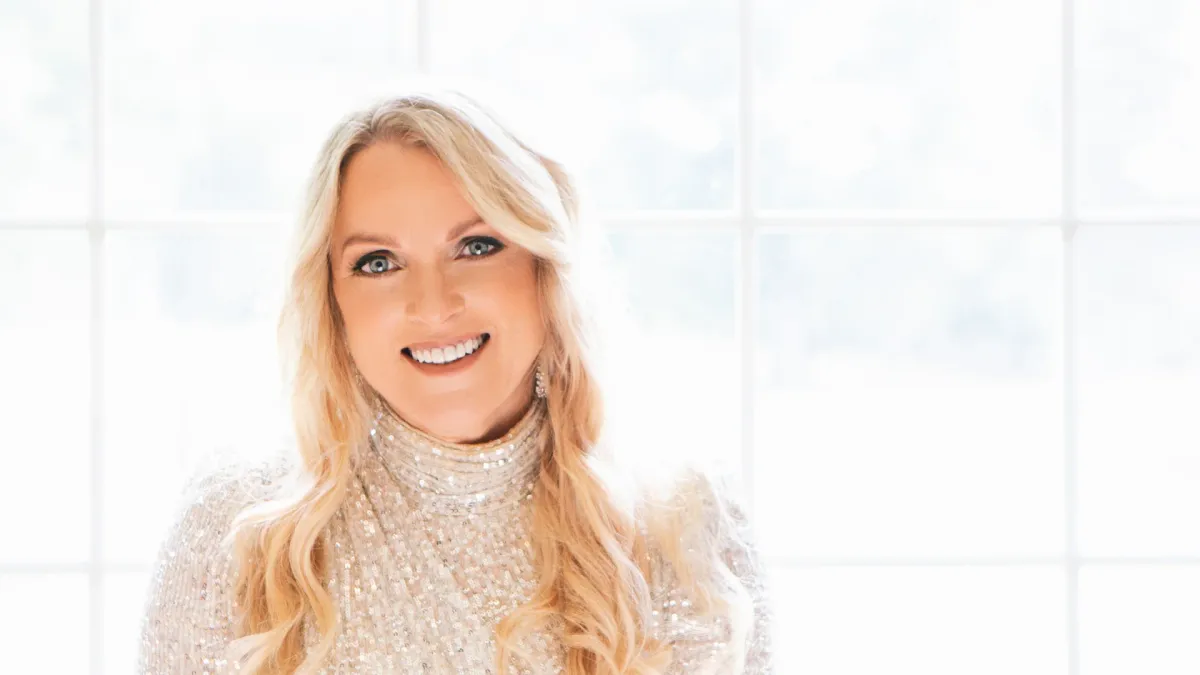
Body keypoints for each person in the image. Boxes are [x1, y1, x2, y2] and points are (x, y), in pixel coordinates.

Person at [137, 87, 775, 674]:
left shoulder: (684, 521)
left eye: (475, 247)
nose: (434, 305)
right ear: (331, 300)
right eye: (378, 263)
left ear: (544, 267)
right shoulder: (240, 524)